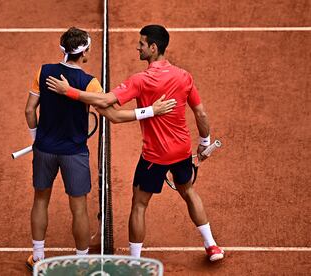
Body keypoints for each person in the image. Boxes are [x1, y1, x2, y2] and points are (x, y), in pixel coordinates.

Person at [46, 24, 225, 262]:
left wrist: (69, 91)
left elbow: (107, 100)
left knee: (139, 205)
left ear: (153, 47)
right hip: (182, 151)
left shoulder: (141, 80)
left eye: (141, 43)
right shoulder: (184, 76)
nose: (137, 47)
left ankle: (135, 260)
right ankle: (212, 245)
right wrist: (204, 142)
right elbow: (200, 114)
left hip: (154, 156)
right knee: (189, 192)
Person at [24, 27, 176, 271]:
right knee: (79, 209)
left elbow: (30, 110)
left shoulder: (43, 72)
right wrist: (151, 111)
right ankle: (81, 262)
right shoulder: (90, 83)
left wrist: (35, 139)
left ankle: (38, 256)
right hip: (74, 153)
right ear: (85, 52)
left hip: (44, 149)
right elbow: (114, 116)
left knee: (40, 200)